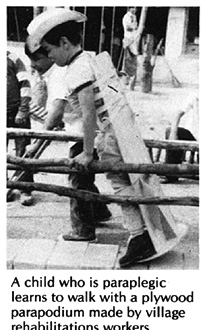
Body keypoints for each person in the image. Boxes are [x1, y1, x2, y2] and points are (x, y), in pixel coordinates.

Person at [26, 7, 157, 267]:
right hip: (120, 126)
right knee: (131, 179)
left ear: (64, 43)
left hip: (109, 132)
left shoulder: (76, 70)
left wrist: (87, 152)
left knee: (119, 182)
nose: (50, 56)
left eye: (50, 50)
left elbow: (88, 113)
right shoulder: (89, 58)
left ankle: (139, 235)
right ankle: (145, 231)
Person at [24, 43, 112, 238]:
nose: (34, 65)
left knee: (77, 180)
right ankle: (99, 211)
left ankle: (83, 230)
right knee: (84, 178)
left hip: (82, 134)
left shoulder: (60, 73)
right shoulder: (64, 69)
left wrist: (37, 143)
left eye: (37, 59)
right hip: (84, 132)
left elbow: (56, 112)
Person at [7, 50, 34, 206]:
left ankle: (25, 189)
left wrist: (23, 110)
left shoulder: (13, 59)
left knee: (23, 151)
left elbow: (25, 84)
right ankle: (6, 187)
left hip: (17, 111)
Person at [162, 93, 199, 183]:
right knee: (170, 131)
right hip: (195, 135)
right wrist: (173, 133)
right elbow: (178, 114)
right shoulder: (196, 95)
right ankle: (171, 174)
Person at [122, 7, 138, 90]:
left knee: (134, 60)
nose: (134, 9)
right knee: (127, 60)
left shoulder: (134, 17)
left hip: (134, 39)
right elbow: (128, 28)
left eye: (135, 8)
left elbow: (135, 26)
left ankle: (132, 82)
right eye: (133, 8)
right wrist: (136, 29)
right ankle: (126, 80)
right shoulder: (126, 17)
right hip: (128, 38)